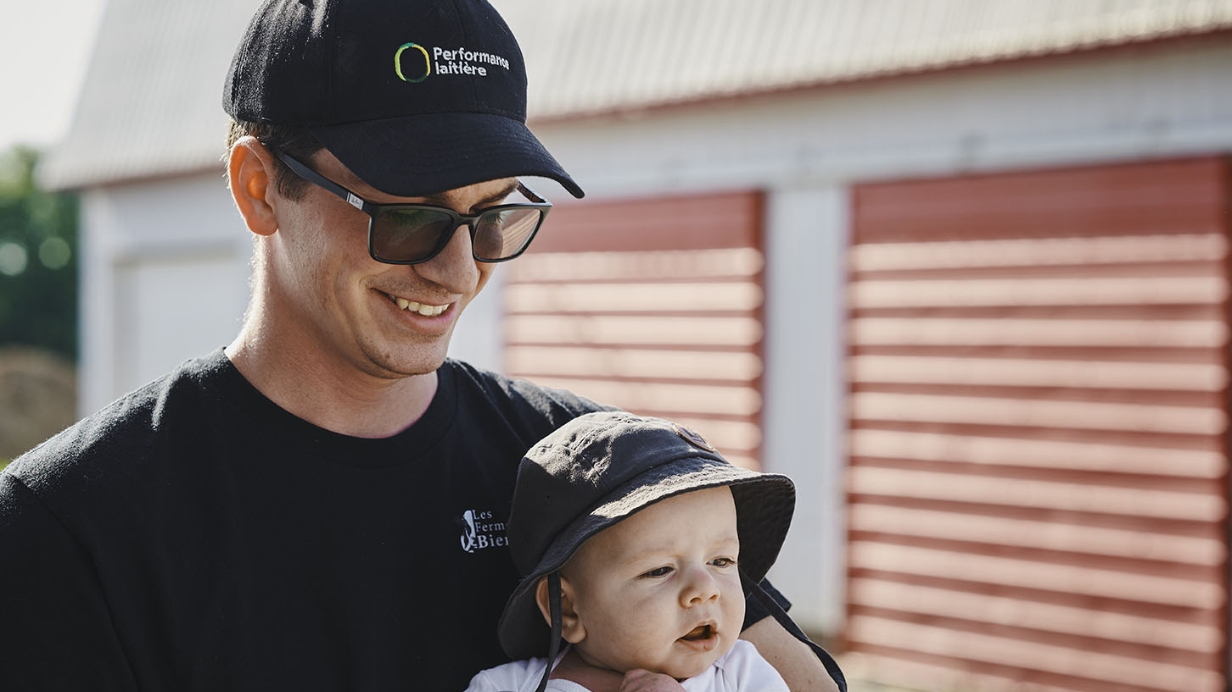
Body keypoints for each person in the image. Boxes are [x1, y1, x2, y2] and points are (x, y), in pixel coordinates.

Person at [0, 1, 845, 691]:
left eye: (494, 216)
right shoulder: (74, 526)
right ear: (259, 189)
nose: (459, 269)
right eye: (408, 215)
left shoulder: (593, 470)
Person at [465, 410, 809, 692]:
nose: (706, 589)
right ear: (568, 609)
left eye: (721, 561)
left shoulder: (740, 674)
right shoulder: (506, 686)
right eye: (660, 570)